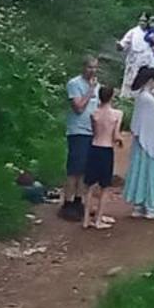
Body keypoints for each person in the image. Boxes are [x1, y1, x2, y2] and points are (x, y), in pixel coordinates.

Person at [122, 66, 154, 219]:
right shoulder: (148, 99)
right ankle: (151, 207)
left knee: (139, 171)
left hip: (141, 140)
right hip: (149, 141)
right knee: (149, 172)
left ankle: (139, 205)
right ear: (151, 80)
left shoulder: (142, 97)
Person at [61, 56, 99, 222]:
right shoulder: (74, 84)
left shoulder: (97, 85)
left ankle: (78, 200)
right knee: (74, 169)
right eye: (90, 67)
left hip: (91, 131)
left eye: (95, 68)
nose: (93, 71)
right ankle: (67, 202)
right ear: (83, 67)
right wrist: (90, 91)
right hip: (78, 131)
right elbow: (78, 108)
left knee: (84, 169)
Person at [83, 84, 122, 230]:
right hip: (106, 149)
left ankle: (86, 219)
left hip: (94, 148)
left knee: (89, 186)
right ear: (112, 96)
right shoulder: (117, 114)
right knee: (105, 187)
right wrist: (120, 141)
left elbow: (94, 132)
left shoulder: (94, 113)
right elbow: (115, 135)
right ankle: (98, 219)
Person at [116, 13, 154, 100]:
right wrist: (119, 46)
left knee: (146, 85)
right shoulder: (133, 32)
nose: (142, 23)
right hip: (134, 62)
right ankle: (126, 99)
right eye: (140, 20)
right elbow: (123, 44)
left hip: (148, 65)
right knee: (129, 83)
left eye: (144, 21)